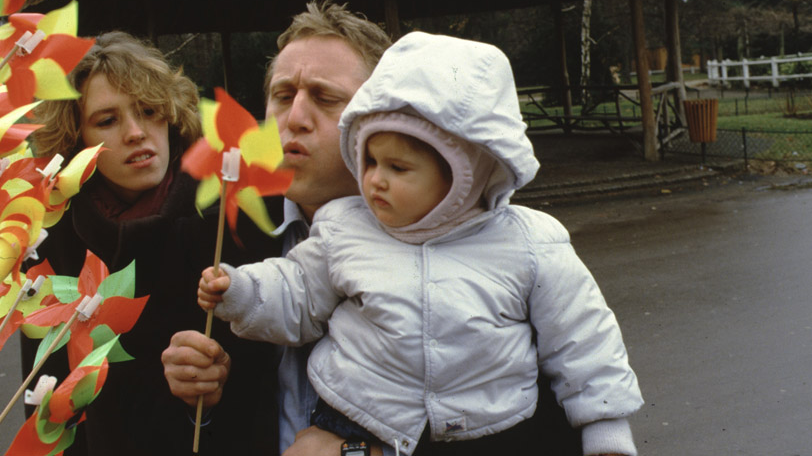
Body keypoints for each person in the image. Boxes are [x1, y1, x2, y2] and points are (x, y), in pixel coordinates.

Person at [196, 32, 644, 456]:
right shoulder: (340, 229)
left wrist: (607, 433)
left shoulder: (529, 242)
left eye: (398, 167)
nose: (376, 179)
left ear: (464, 174)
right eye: (370, 160)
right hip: (355, 418)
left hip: (488, 431)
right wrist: (241, 291)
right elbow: (296, 290)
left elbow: (584, 343)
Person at [24, 31, 277, 455]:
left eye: (148, 110)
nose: (136, 132)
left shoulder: (226, 220)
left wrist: (213, 388)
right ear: (75, 138)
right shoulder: (53, 239)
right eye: (107, 121)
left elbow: (268, 379)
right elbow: (47, 396)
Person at [161, 0, 392, 453]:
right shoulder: (214, 241)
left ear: (381, 115)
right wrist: (199, 399)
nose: (295, 118)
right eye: (283, 96)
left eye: (325, 98)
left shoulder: (439, 236)